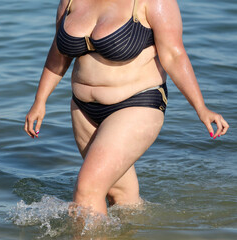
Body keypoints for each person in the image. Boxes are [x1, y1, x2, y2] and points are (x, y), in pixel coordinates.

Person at [24, 0, 229, 216]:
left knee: (87, 190)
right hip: (82, 109)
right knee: (120, 197)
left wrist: (201, 107)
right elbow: (58, 54)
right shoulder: (70, 1)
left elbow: (174, 55)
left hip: (136, 104)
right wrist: (40, 100)